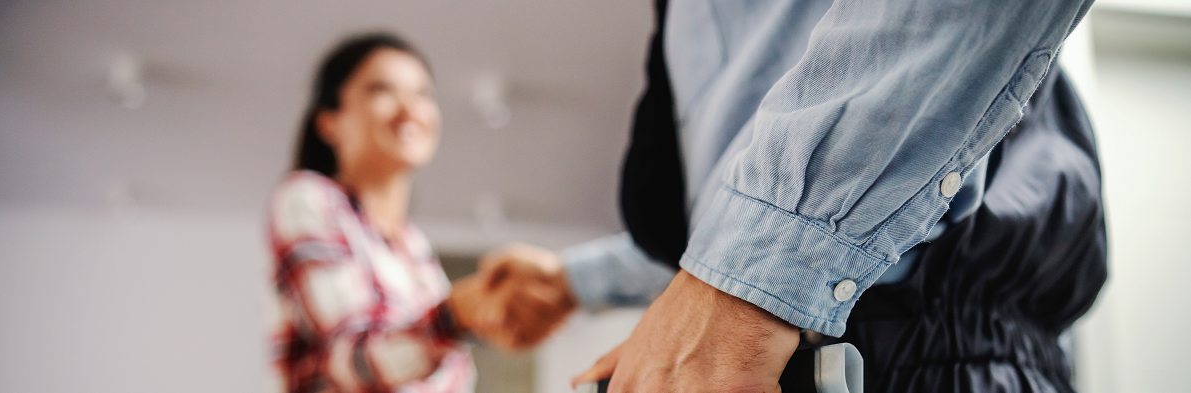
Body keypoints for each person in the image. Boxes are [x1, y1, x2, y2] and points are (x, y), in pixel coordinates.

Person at [480, 0, 1108, 392]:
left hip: (938, 355)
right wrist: (573, 281)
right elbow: (737, 206)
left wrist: (740, 286)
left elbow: (780, 246)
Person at [265, 33, 568, 393]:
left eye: (423, 94)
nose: (410, 109)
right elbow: (355, 360)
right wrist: (459, 313)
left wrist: (490, 314)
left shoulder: (413, 246)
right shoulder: (308, 198)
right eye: (382, 90)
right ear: (329, 122)